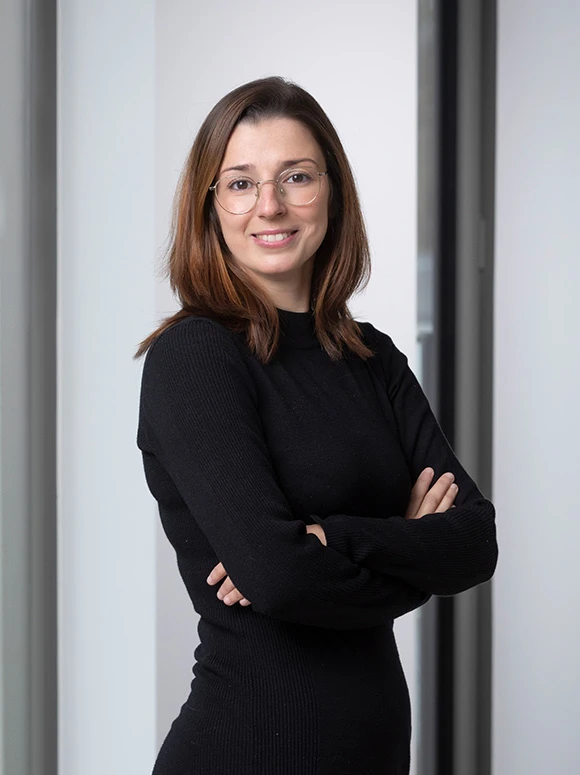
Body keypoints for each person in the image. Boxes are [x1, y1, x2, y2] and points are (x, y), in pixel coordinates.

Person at [135, 76, 498, 775]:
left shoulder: (373, 358)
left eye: (295, 176)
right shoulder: (196, 357)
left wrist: (334, 536)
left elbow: (475, 542)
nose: (269, 205)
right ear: (210, 206)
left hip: (375, 751)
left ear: (331, 190)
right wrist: (411, 548)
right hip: (244, 749)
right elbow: (278, 579)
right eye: (240, 183)